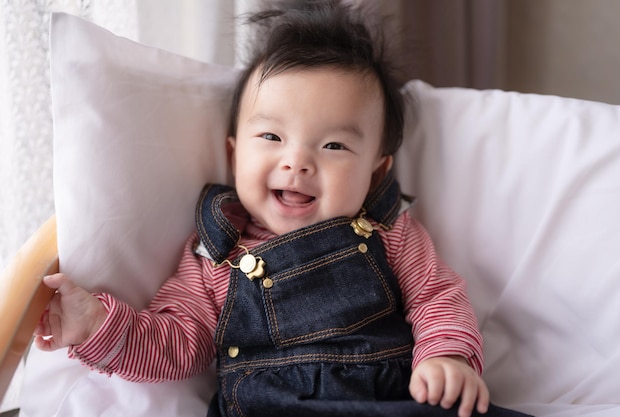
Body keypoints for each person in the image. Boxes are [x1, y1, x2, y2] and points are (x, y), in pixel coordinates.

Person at [35, 2, 530, 417]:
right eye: (271, 137)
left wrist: (447, 357)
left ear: (376, 174)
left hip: (393, 398)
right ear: (234, 155)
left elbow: (436, 295)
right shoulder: (214, 255)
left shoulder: (389, 231)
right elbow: (175, 344)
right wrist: (97, 324)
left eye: (334, 146)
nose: (297, 162)